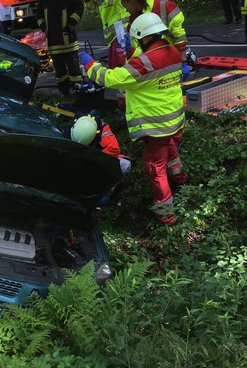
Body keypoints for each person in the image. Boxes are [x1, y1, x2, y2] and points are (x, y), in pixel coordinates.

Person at [80, 13, 187, 224]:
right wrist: (130, 49)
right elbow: (145, 60)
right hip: (172, 118)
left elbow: (112, 78)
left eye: (138, 40)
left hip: (156, 123)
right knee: (169, 148)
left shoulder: (144, 64)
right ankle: (179, 177)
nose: (137, 43)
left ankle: (167, 215)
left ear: (145, 38)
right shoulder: (171, 50)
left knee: (155, 169)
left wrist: (90, 65)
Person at [117, 0, 190, 80]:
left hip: (170, 62)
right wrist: (130, 50)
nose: (126, 10)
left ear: (133, 2)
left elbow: (179, 36)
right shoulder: (134, 18)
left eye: (125, 6)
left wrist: (183, 61)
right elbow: (140, 49)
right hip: (151, 65)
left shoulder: (166, 7)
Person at [36, 0, 84, 96]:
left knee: (74, 68)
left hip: (68, 42)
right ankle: (64, 91)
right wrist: (44, 27)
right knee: (59, 70)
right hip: (53, 43)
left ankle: (78, 91)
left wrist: (72, 23)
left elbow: (79, 8)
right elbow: (39, 14)